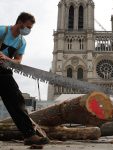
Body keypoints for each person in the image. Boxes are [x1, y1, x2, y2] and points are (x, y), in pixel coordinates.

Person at [0, 12, 49, 145]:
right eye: (28, 27)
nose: (29, 30)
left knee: (17, 100)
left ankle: (29, 135)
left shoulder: (22, 42)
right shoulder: (2, 30)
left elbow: (18, 61)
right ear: (20, 22)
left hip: (4, 72)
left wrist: (7, 59)